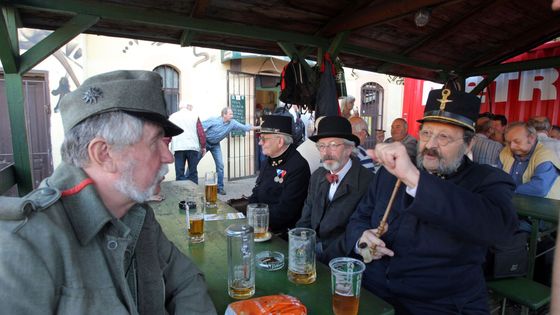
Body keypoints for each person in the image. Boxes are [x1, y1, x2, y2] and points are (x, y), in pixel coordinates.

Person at [0, 70, 216, 314]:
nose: (167, 156)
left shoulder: (137, 215)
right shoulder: (22, 245)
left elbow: (186, 282)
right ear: (104, 154)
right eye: (155, 142)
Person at [346, 87, 518, 314]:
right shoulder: (390, 173)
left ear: (469, 144)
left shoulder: (488, 180)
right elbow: (358, 218)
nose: (430, 145)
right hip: (375, 292)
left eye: (444, 137)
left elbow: (500, 230)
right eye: (426, 134)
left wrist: (414, 179)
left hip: (440, 304)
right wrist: (362, 240)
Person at [297, 116, 374, 264]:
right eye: (322, 146)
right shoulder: (317, 176)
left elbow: (355, 233)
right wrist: (301, 245)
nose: (326, 152)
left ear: (349, 148)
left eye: (333, 145)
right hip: (309, 253)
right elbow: (305, 219)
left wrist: (321, 253)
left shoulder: (367, 182)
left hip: (342, 260)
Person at [248, 115, 310, 235]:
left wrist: (258, 221)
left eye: (264, 138)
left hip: (281, 233)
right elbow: (257, 191)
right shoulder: (269, 160)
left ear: (280, 141)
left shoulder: (298, 166)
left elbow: (286, 211)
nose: (260, 143)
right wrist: (250, 212)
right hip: (261, 225)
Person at [202, 107, 258, 195]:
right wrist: (200, 142)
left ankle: (219, 188)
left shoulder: (232, 123)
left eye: (232, 114)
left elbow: (245, 128)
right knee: (194, 162)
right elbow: (200, 127)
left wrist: (259, 127)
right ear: (224, 115)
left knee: (220, 165)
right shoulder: (214, 120)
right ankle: (188, 182)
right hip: (205, 143)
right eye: (230, 114)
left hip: (215, 145)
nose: (232, 115)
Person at [499, 122, 560, 200]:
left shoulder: (546, 155)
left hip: (543, 208)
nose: (512, 146)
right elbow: (497, 177)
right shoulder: (506, 151)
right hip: (513, 203)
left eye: (517, 141)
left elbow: (539, 188)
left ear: (531, 138)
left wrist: (507, 190)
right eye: (509, 142)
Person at [169, 102, 206, 183]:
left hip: (178, 147)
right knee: (193, 172)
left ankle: (181, 191)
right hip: (192, 147)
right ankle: (194, 192)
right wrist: (203, 146)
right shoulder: (194, 115)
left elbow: (168, 133)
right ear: (188, 106)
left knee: (179, 173)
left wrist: (165, 146)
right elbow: (201, 133)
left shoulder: (173, 116)